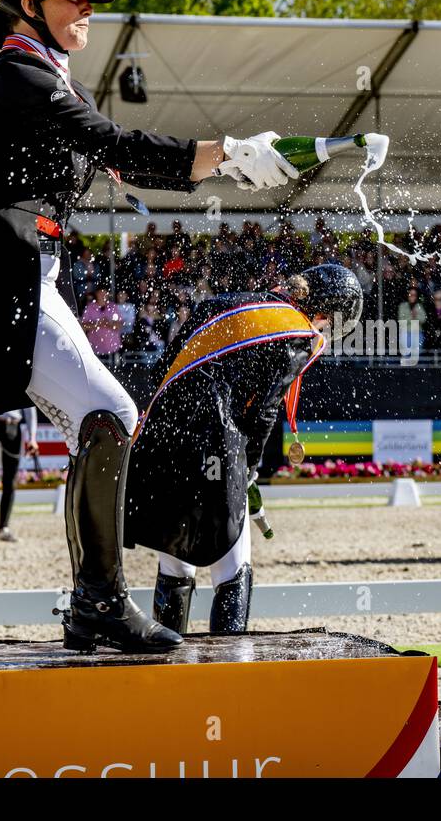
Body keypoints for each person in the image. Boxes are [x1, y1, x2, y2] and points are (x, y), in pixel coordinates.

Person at [0, 0, 300, 654]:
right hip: (6, 281)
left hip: (26, 276)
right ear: (27, 4)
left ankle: (91, 604)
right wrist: (224, 154)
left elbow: (124, 167)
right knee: (109, 412)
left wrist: (222, 162)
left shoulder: (45, 74)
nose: (88, 14)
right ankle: (98, 602)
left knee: (99, 421)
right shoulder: (21, 73)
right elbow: (122, 148)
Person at [128, 264, 360, 634]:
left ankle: (166, 668)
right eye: (330, 322)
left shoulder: (225, 302)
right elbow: (267, 409)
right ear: (324, 311)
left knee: (175, 561)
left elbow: (164, 368)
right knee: (233, 570)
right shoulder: (296, 331)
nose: (325, 331)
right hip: (217, 441)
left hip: (164, 434)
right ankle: (227, 677)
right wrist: (249, 468)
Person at [0, 407, 39, 543]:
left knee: (10, 480)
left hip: (14, 430)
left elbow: (30, 411)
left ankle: (3, 528)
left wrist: (32, 438)